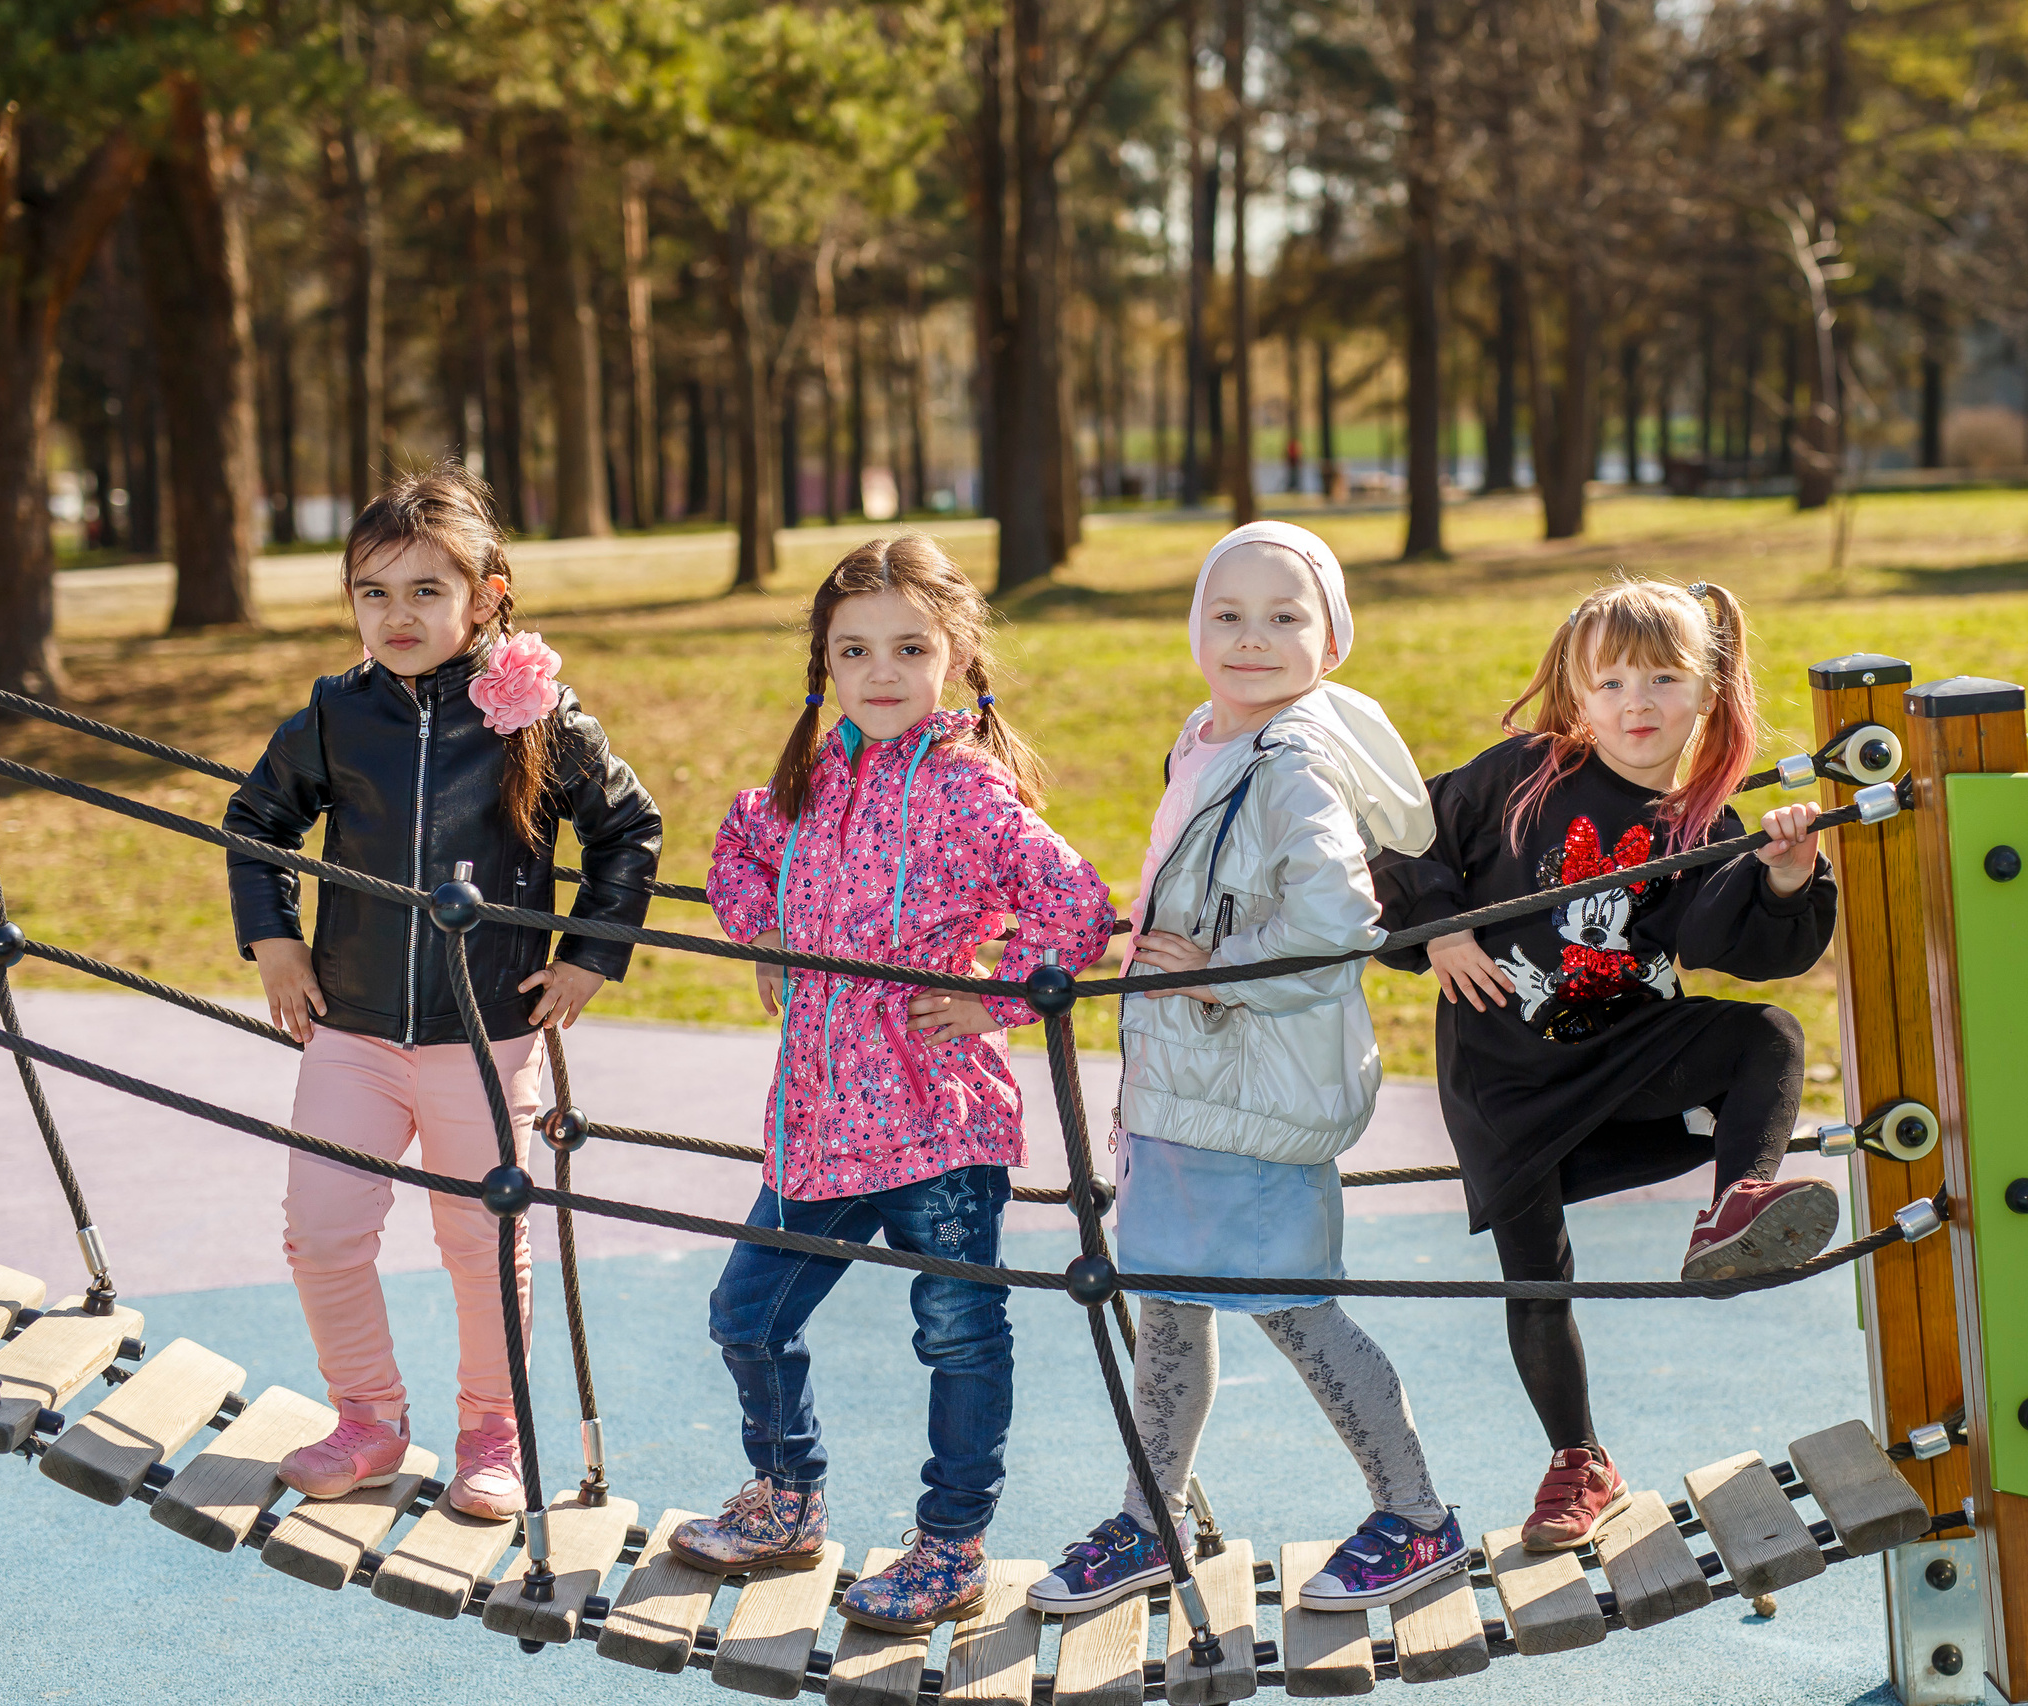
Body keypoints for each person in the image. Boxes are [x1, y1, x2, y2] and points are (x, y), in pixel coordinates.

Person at [668, 536, 1117, 1636]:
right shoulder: (810, 777)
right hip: (817, 1123)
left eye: (909, 646)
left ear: (956, 657)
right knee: (746, 1314)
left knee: (958, 1331)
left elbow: (1079, 912)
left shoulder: (972, 791)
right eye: (854, 647)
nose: (881, 670)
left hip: (936, 1122)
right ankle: (788, 1495)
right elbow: (737, 849)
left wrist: (994, 998)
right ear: (823, 661)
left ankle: (951, 1545)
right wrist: (766, 929)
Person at [1028, 521, 1470, 1620]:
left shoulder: (1294, 767)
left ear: (1329, 638)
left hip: (1249, 1091)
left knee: (1294, 1308)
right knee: (1171, 1309)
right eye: (1227, 614)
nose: (1252, 637)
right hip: (1188, 1089)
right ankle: (1151, 1515)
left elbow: (1335, 927)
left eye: (1285, 617)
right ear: (1194, 627)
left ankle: (1417, 1516)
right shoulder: (1207, 735)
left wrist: (1218, 973)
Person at [224, 463, 663, 1520]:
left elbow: (626, 832)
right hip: (354, 1023)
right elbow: (257, 823)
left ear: (487, 595)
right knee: (321, 1226)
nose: (399, 613)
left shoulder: (538, 715)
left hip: (485, 1032)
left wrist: (591, 954)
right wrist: (275, 942)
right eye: (374, 591)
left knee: (481, 1237)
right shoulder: (337, 713)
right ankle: (368, 1417)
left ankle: (491, 1430)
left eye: (427, 589)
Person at [1371, 577, 1839, 1554]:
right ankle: (1578, 1458)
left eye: (1665, 678)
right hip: (1502, 1075)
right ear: (1576, 697)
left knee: (1767, 1036)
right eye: (1612, 679)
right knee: (1534, 1277)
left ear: (1708, 693)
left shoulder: (1701, 824)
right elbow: (1403, 833)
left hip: (1623, 1049)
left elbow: (1733, 939)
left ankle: (1737, 1206)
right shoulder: (1523, 775)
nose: (1638, 701)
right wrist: (1437, 930)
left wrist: (1785, 875)